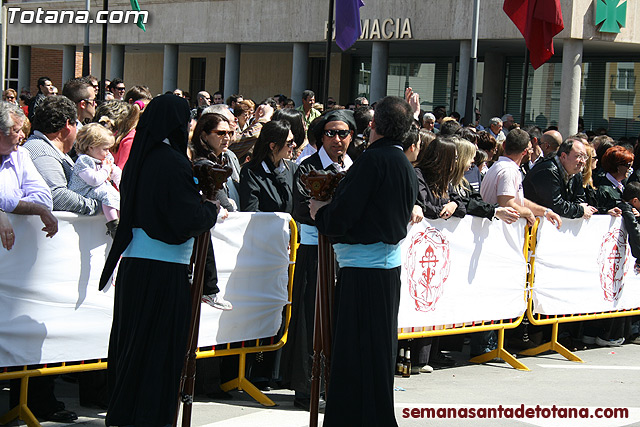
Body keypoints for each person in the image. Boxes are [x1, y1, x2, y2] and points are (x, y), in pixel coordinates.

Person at [98, 94, 220, 426]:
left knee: (133, 353)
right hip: (163, 274)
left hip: (137, 269)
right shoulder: (172, 161)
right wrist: (210, 207)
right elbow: (186, 219)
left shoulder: (141, 156)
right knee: (159, 356)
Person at [309, 96, 418, 426]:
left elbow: (346, 214)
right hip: (379, 271)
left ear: (372, 126)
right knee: (373, 355)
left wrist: (321, 212)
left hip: (365, 274)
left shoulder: (373, 161)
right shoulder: (402, 163)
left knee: (357, 358)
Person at [281, 109, 356, 410]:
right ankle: (306, 386)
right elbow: (301, 208)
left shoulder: (354, 166)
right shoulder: (306, 167)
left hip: (344, 251)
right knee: (311, 317)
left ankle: (333, 381)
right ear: (320, 135)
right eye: (330, 133)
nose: (337, 139)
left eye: (343, 133)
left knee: (337, 317)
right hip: (314, 249)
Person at [23, 96, 102, 215]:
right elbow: (56, 196)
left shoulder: (48, 150)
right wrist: (98, 206)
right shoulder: (42, 153)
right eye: (76, 124)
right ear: (68, 125)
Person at [0, 101, 57, 249]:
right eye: (17, 130)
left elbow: (44, 199)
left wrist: (6, 206)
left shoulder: (21, 155)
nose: (23, 135)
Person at [480, 128, 562, 229]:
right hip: (496, 233)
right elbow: (507, 205)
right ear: (525, 152)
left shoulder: (501, 166)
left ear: (504, 145)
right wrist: (527, 213)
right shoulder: (508, 171)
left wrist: (545, 211)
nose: (531, 152)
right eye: (530, 149)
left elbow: (518, 200)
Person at [68, 123, 122, 237]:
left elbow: (116, 172)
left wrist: (122, 184)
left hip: (96, 189)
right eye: (105, 149)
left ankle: (121, 220)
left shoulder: (104, 158)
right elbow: (94, 180)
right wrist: (106, 169)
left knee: (114, 194)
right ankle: (114, 226)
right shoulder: (84, 161)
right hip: (84, 191)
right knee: (106, 193)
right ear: (91, 147)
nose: (108, 152)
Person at [523, 139, 598, 219]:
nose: (582, 161)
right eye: (579, 156)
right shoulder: (548, 171)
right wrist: (580, 210)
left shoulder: (576, 172)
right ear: (563, 156)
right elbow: (555, 206)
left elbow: (580, 200)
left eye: (585, 157)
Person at [238, 120, 298, 213]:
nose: (294, 145)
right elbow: (251, 210)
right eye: (289, 142)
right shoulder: (251, 172)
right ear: (273, 146)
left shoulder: (293, 169)